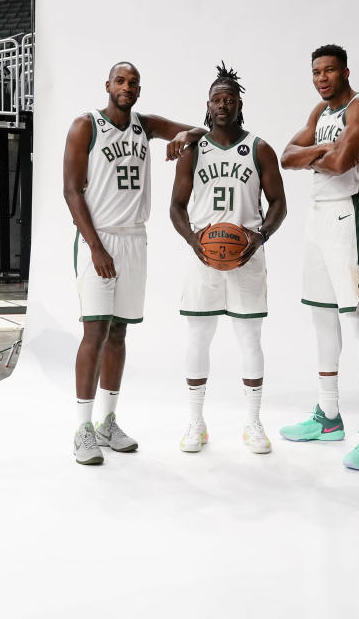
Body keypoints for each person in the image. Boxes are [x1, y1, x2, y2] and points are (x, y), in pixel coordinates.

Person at [62, 61, 205, 465]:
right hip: (100, 237)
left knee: (120, 333)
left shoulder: (144, 124)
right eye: (121, 81)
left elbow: (197, 131)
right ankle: (82, 428)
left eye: (134, 82)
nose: (127, 87)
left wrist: (180, 139)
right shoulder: (85, 125)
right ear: (107, 85)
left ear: (139, 90)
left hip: (135, 238)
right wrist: (95, 247)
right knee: (95, 331)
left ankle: (108, 422)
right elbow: (71, 192)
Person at [278, 44, 359, 471]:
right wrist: (320, 155)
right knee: (322, 317)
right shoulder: (320, 115)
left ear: (345, 71)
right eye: (316, 72)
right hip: (318, 218)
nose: (322, 78)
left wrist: (320, 157)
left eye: (329, 71)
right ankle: (328, 417)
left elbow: (344, 162)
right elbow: (286, 156)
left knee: (357, 319)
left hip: (350, 216)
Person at [169, 63, 286, 454]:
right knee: (198, 337)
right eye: (217, 100)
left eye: (229, 100)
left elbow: (279, 205)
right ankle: (195, 422)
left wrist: (261, 235)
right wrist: (193, 241)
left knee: (250, 339)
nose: (223, 105)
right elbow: (176, 207)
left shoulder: (259, 148)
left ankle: (253, 423)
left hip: (247, 258)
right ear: (208, 105)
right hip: (203, 258)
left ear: (239, 105)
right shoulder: (192, 149)